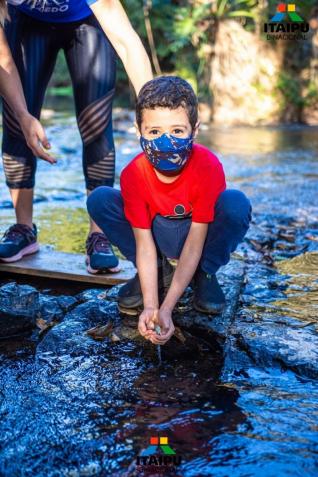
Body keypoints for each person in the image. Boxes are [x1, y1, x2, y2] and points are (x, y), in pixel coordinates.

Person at [87, 76, 252, 345]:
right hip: (156, 237)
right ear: (139, 131)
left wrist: (167, 309)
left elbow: (196, 241)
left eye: (177, 131)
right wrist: (152, 306)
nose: (165, 141)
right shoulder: (134, 175)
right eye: (154, 132)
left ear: (194, 130)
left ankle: (205, 273)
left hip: (196, 237)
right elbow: (143, 242)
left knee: (236, 203)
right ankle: (153, 273)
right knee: (100, 199)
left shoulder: (208, 167)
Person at [0, 0, 152, 271]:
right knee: (14, 120)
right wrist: (23, 114)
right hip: (26, 23)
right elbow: (3, 60)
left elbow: (127, 43)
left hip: (87, 20)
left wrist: (151, 112)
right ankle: (24, 229)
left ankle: (99, 234)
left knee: (95, 123)